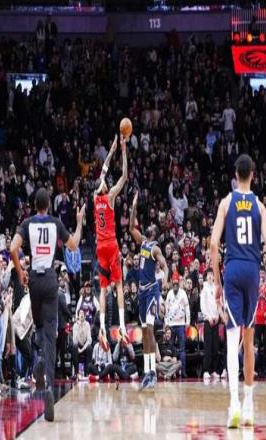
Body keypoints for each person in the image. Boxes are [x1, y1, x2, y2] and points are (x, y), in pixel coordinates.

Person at [210, 154, 266, 428]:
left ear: (236, 175)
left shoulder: (227, 202)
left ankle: (234, 405)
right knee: (249, 341)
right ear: (253, 175)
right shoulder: (259, 205)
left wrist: (217, 282)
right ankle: (249, 407)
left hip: (233, 268)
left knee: (231, 338)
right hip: (252, 270)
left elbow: (213, 244)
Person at [10, 188, 85, 422]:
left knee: (40, 328)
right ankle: (50, 385)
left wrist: (21, 272)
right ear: (49, 205)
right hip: (51, 281)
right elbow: (74, 245)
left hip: (34, 280)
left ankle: (41, 359)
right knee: (51, 334)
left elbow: (12, 248)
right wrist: (79, 222)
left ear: (34, 205)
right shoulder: (55, 223)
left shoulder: (27, 223)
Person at [129, 190, 169, 389]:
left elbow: (165, 265)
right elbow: (131, 228)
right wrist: (134, 206)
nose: (150, 224)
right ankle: (146, 372)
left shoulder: (155, 248)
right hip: (142, 292)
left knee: (151, 329)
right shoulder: (143, 241)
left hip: (152, 291)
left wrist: (166, 280)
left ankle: (153, 372)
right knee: (144, 331)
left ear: (154, 232)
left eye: (152, 225)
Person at [93, 135, 128, 345]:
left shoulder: (95, 198)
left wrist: (112, 149)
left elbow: (103, 171)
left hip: (99, 247)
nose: (105, 180)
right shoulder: (110, 196)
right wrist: (122, 150)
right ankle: (122, 326)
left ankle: (103, 328)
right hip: (111, 245)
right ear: (103, 186)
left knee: (103, 289)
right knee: (119, 285)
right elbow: (124, 176)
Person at [200, 269, 220, 380]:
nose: (210, 277)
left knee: (215, 346)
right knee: (207, 347)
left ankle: (214, 370)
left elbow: (218, 303)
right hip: (208, 321)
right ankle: (206, 370)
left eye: (212, 275)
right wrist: (208, 317)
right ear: (206, 277)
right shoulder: (204, 289)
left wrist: (217, 316)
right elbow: (203, 306)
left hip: (216, 320)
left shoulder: (216, 288)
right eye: (208, 275)